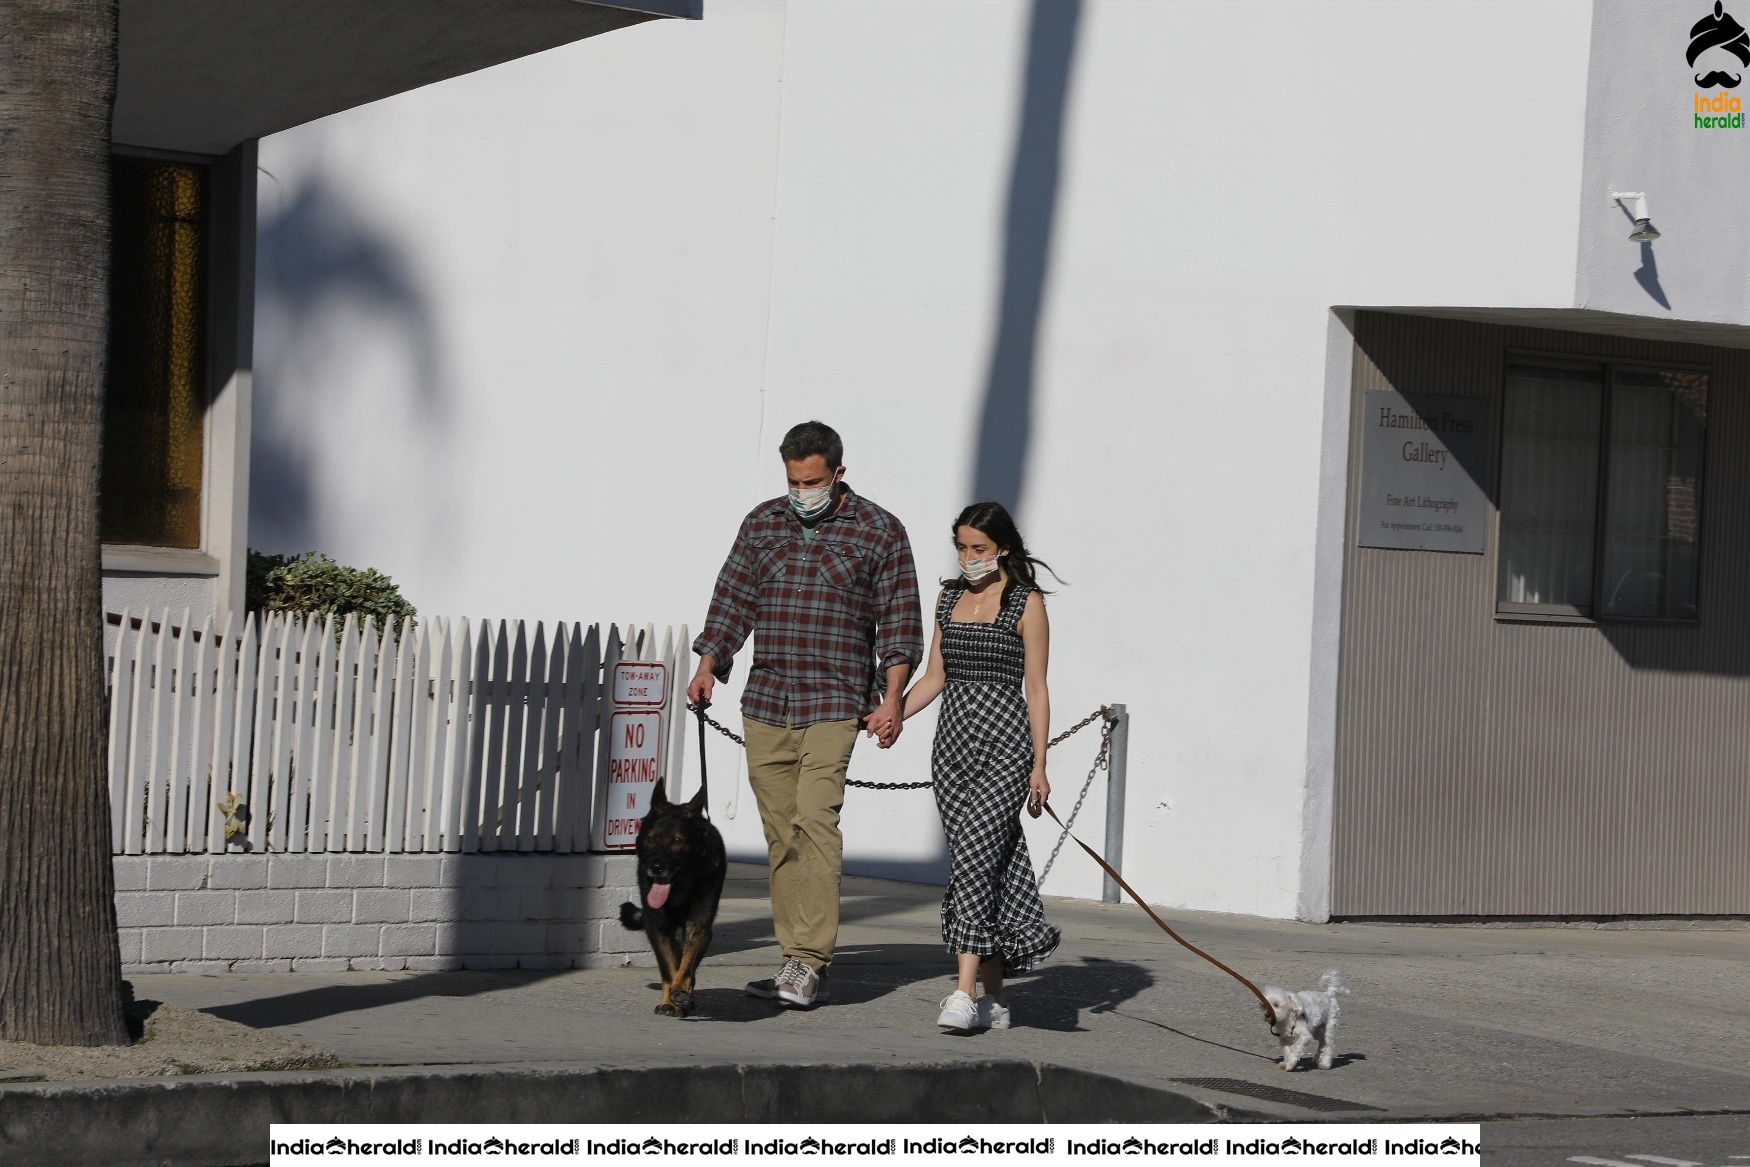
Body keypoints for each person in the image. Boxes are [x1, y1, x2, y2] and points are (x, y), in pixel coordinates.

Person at [688, 420, 923, 1008]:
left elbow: (899, 622)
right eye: (793, 481)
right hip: (767, 701)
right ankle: (793, 957)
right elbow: (733, 597)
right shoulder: (762, 523)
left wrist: (892, 697)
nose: (801, 492)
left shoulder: (880, 531)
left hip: (837, 700)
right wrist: (709, 663)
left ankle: (810, 960)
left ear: (838, 474)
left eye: (812, 481)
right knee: (780, 835)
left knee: (815, 823)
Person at [897, 500, 1061, 1032]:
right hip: (953, 746)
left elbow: (1036, 689)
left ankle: (963, 991)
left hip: (1007, 746)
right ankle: (997, 999)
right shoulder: (948, 598)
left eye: (979, 548)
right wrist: (890, 713)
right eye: (962, 547)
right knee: (990, 860)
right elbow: (933, 676)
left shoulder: (1025, 603)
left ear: (1002, 549)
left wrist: (1039, 763)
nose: (969, 557)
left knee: (971, 859)